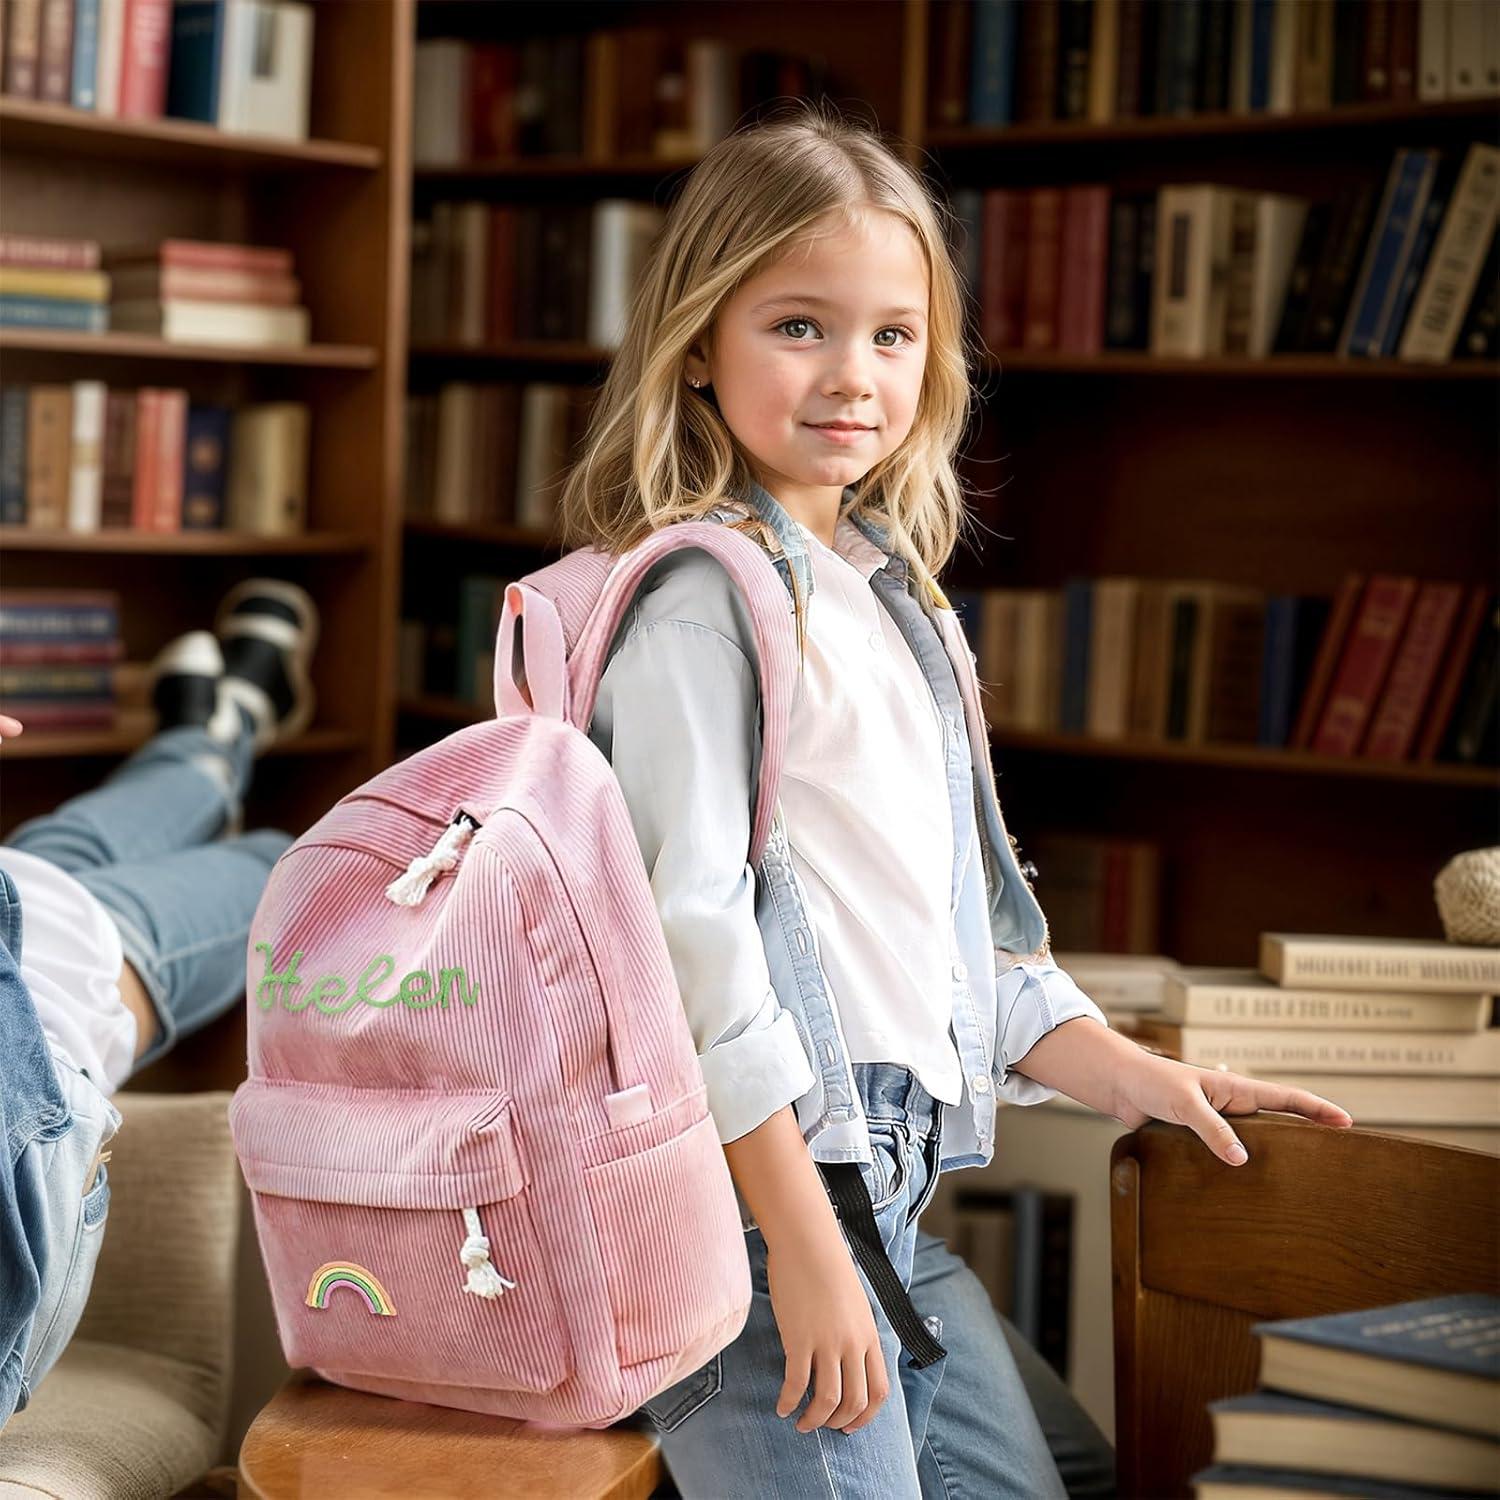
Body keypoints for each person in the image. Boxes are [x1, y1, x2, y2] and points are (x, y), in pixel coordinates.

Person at [556, 105, 1356, 1498]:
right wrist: (802, 1254)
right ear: (698, 344)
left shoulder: (891, 594)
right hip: (751, 1215)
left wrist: (1134, 1075)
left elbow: (948, 940)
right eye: (797, 326)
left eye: (893, 334)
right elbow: (693, 959)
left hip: (888, 1202)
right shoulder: (699, 600)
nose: (851, 374)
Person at [0, 578, 319, 1429]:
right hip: (69, 974)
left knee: (85, 833)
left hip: (22, 898)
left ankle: (216, 732)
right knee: (291, 862)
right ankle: (231, 724)